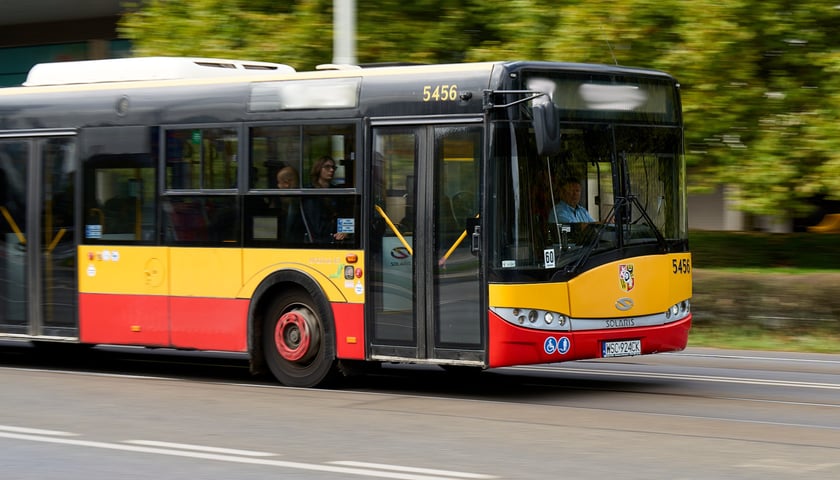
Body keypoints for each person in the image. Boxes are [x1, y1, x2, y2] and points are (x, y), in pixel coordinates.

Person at [302, 156, 347, 242]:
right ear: (318, 169)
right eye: (327, 167)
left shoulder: (337, 191)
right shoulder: (311, 193)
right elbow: (318, 227)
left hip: (337, 239)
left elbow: (344, 214)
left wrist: (345, 231)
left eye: (333, 167)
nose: (331, 170)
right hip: (318, 241)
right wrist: (337, 228)